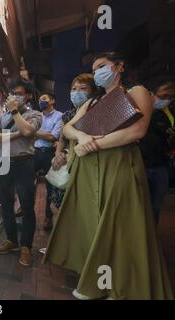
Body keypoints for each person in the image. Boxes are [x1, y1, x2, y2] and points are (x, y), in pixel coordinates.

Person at [43, 52, 173, 300]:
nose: (98, 72)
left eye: (102, 66)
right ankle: (101, 278)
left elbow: (137, 131)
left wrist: (94, 144)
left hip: (120, 165)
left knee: (122, 224)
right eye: (95, 69)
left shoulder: (137, 92)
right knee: (94, 221)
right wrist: (81, 137)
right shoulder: (92, 103)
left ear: (120, 66)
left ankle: (123, 284)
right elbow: (68, 128)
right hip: (90, 169)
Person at [0, 79, 42, 267]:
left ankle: (26, 247)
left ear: (27, 95)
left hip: (24, 163)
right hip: (3, 163)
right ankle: (12, 240)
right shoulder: (2, 116)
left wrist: (14, 112)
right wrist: (17, 134)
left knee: (27, 207)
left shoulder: (34, 114)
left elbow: (28, 130)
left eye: (19, 93)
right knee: (6, 204)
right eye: (12, 93)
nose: (14, 96)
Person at [50, 73, 98, 211]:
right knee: (57, 207)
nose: (77, 92)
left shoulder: (96, 114)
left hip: (86, 166)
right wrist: (58, 153)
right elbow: (61, 139)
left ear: (93, 92)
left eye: (83, 88)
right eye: (74, 89)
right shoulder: (68, 115)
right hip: (66, 165)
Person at [139, 78, 175, 224]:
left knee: (155, 208)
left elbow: (168, 144)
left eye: (170, 96)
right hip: (140, 166)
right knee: (139, 207)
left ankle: (151, 241)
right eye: (163, 94)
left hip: (160, 168)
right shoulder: (141, 110)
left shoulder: (169, 115)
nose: (166, 99)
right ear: (153, 93)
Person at [33, 93, 63, 231]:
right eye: (40, 99)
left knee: (50, 187)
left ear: (53, 100)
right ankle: (25, 208)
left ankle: (48, 217)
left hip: (49, 154)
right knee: (27, 183)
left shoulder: (59, 116)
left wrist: (32, 130)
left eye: (44, 99)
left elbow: (53, 136)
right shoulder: (38, 116)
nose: (41, 101)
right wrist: (39, 133)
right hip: (35, 152)